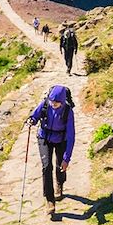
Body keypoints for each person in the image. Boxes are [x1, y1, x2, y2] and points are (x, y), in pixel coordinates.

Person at [27, 85, 76, 215]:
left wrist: (67, 158)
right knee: (47, 166)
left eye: (56, 103)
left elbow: (71, 136)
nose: (53, 104)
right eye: (51, 102)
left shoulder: (68, 111)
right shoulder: (45, 104)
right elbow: (35, 115)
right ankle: (50, 200)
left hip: (61, 139)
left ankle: (59, 184)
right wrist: (31, 120)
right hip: (44, 137)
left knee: (60, 165)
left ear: (62, 101)